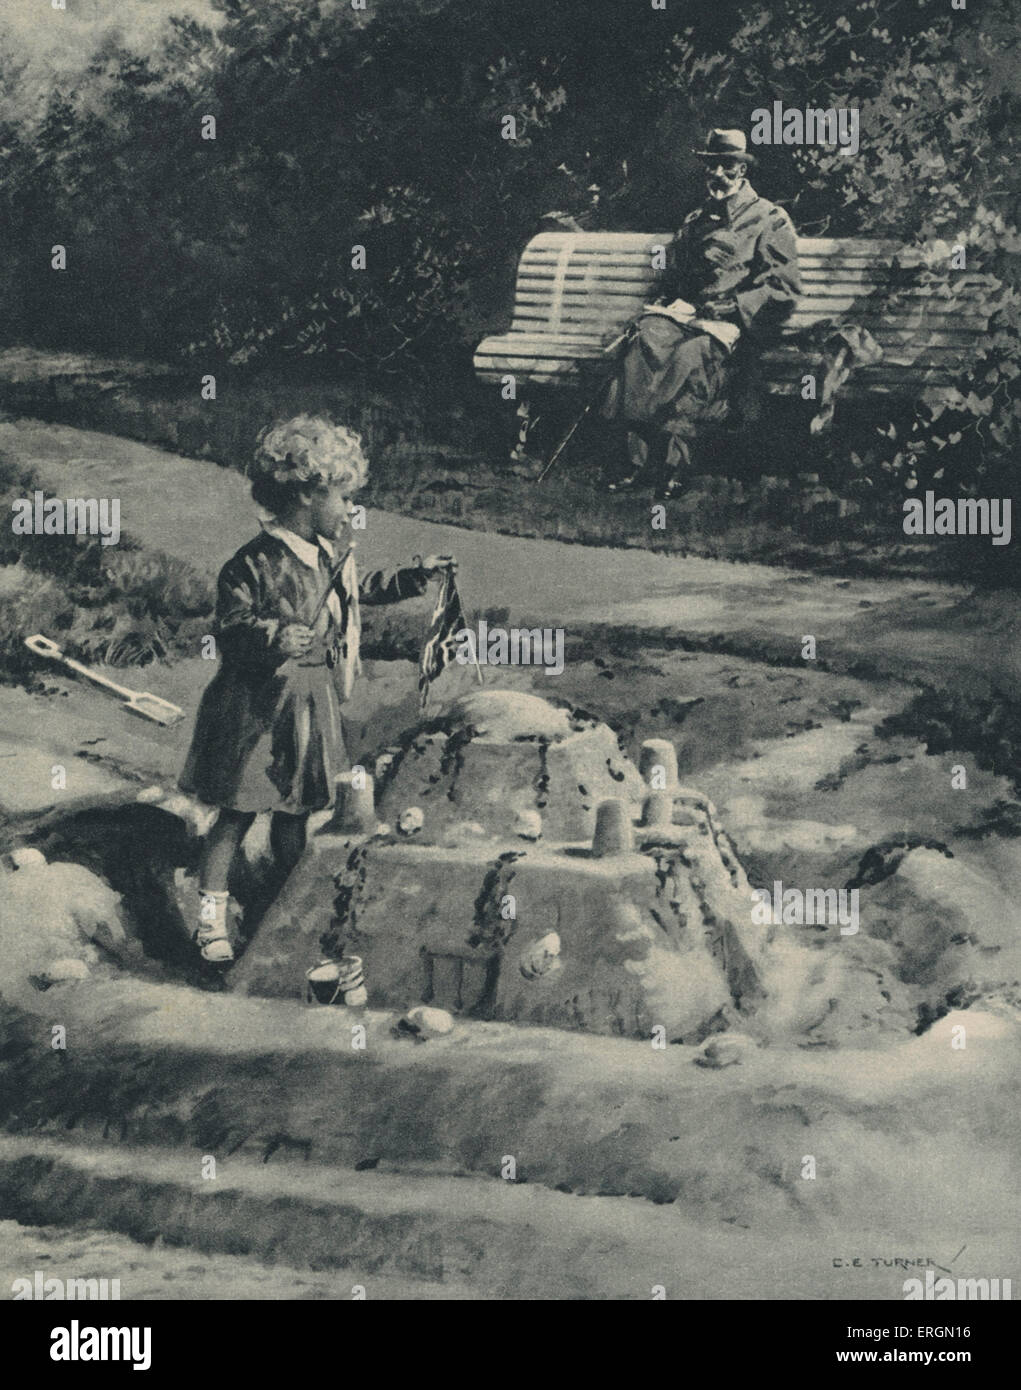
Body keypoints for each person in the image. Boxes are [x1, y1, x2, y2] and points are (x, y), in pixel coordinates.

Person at [179, 414, 453, 963]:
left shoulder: (332, 554)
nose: (349, 510)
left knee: (296, 810)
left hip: (309, 701)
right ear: (306, 495)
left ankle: (286, 905)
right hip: (258, 707)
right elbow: (229, 630)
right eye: (342, 497)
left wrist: (411, 578)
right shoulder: (252, 563)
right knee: (238, 811)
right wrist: (275, 634)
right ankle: (210, 916)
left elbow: (361, 591)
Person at [602, 129, 800, 499]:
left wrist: (733, 306)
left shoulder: (770, 219)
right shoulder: (696, 219)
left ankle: (676, 466)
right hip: (689, 317)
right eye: (712, 166)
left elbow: (783, 290)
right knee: (644, 339)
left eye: (727, 166)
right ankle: (635, 462)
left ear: (743, 170)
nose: (718, 174)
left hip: (734, 325)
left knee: (690, 357)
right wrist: (667, 303)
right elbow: (677, 279)